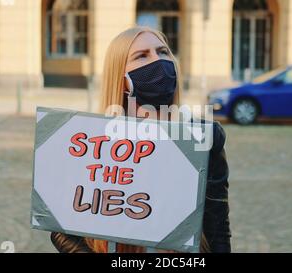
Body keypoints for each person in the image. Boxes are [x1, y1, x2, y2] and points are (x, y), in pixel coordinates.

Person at [51, 26, 231, 253]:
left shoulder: (204, 137)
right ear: (121, 77)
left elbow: (218, 228)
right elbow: (62, 229)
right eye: (142, 56)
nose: (158, 61)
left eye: (163, 52)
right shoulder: (91, 141)